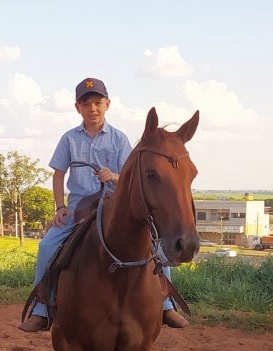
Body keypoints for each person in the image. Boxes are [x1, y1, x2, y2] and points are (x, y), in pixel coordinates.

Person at [17, 77, 188, 333]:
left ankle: (166, 304)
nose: (92, 109)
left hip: (113, 207)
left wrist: (114, 176)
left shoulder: (119, 139)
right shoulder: (69, 139)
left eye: (97, 103)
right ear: (78, 108)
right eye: (86, 104)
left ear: (107, 104)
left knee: (154, 245)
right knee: (47, 246)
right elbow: (58, 174)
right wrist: (59, 207)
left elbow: (132, 178)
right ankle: (42, 308)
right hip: (79, 210)